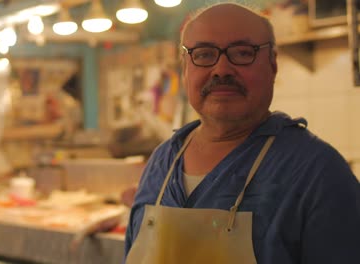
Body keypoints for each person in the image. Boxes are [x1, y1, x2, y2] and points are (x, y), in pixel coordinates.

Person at [124, 3, 360, 264]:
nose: (222, 69)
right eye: (203, 54)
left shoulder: (318, 174)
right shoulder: (162, 162)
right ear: (185, 68)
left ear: (272, 65)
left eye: (242, 52)